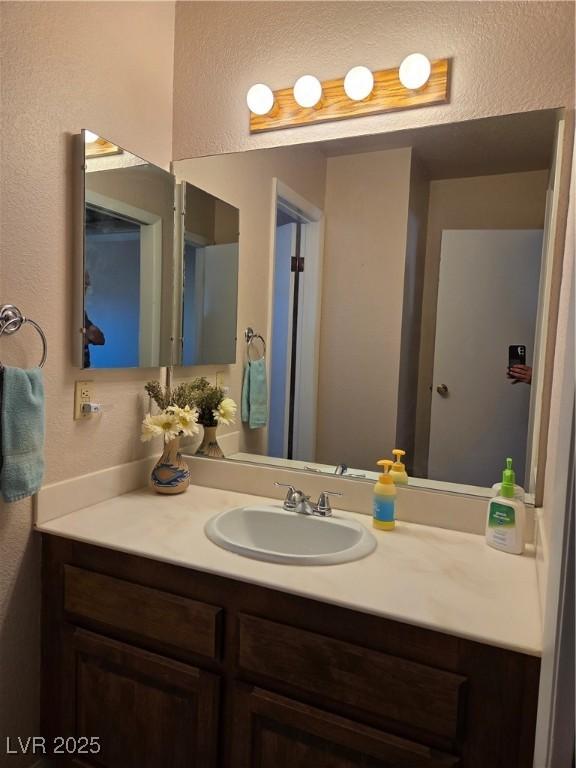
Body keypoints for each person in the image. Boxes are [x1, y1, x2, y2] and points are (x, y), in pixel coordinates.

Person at [83, 271, 105, 367]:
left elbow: (100, 340)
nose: (88, 284)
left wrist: (89, 334)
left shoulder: (81, 312)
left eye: (88, 283)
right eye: (85, 282)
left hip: (84, 368)